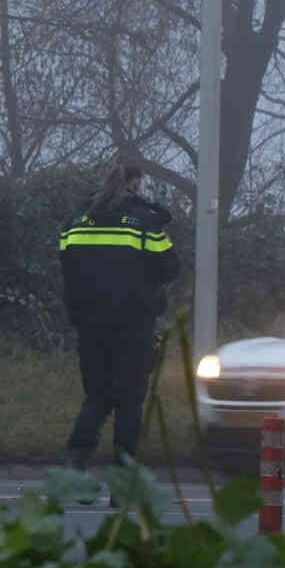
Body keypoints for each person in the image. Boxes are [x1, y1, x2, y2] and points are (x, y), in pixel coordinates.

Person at [58, 161, 179, 487]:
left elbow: (67, 266)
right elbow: (170, 267)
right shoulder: (143, 222)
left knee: (97, 395)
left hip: (89, 324)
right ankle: (124, 481)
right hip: (132, 324)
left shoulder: (76, 221)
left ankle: (74, 461)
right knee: (129, 400)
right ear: (136, 184)